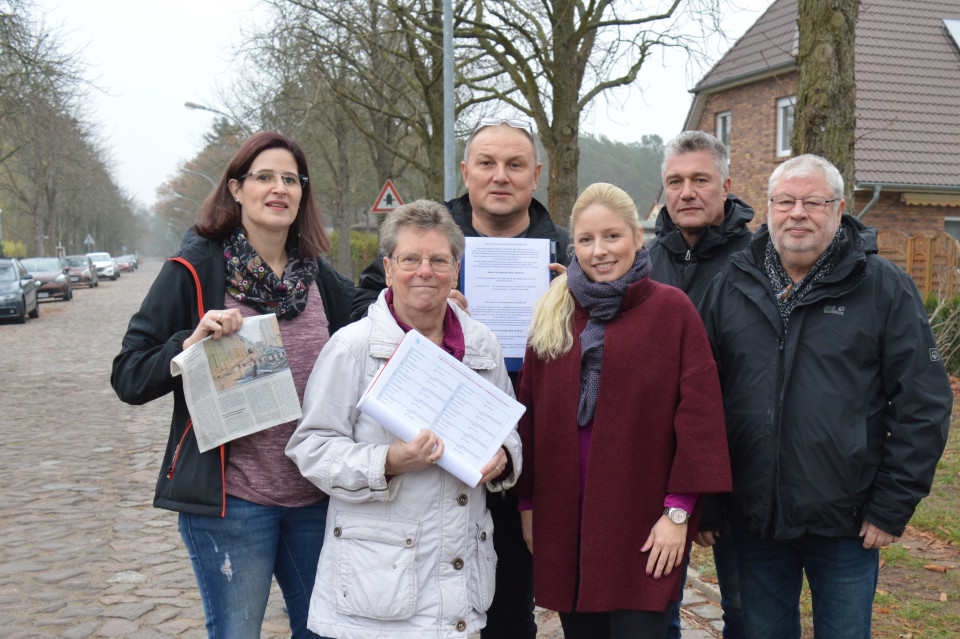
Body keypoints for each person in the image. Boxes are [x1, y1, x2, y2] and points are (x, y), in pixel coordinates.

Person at [698, 154, 952, 638]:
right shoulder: (730, 284)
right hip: (754, 520)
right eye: (786, 201)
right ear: (769, 208)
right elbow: (700, 401)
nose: (798, 213)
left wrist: (891, 506)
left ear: (839, 211)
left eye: (813, 202)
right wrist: (707, 502)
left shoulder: (883, 288)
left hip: (848, 525)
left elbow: (925, 403)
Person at [111, 132, 354, 639]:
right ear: (237, 189)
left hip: (316, 496)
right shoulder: (194, 270)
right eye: (264, 176)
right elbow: (129, 374)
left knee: (327, 633)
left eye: (291, 179)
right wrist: (189, 342)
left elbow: (381, 317)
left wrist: (437, 301)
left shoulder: (319, 279)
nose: (279, 188)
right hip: (233, 503)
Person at [351, 117, 570, 639]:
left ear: (535, 174)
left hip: (523, 453)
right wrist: (416, 306)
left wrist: (577, 303)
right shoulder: (428, 236)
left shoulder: (564, 249)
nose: (501, 176)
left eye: (515, 165)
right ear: (466, 171)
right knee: (423, 604)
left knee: (513, 603)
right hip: (429, 449)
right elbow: (364, 307)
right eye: (487, 164)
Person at [286, 199, 521, 638]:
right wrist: (388, 461)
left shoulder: (481, 343)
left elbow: (508, 430)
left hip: (461, 588)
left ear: (455, 269)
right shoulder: (352, 348)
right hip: (376, 591)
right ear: (389, 269)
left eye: (438, 259)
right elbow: (311, 448)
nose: (425, 271)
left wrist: (503, 457)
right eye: (410, 259)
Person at [515, 182, 732, 639]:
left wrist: (679, 515)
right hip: (566, 521)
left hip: (643, 524)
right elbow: (529, 416)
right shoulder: (554, 313)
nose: (599, 251)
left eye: (612, 236)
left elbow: (700, 419)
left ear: (637, 236)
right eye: (586, 240)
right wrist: (529, 503)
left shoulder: (671, 311)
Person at [647, 130, 752, 639]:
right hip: (655, 471)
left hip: (740, 471)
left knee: (744, 611)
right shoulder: (641, 261)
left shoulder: (759, 262)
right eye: (675, 181)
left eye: (700, 180)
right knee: (656, 606)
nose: (687, 192)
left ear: (726, 185)